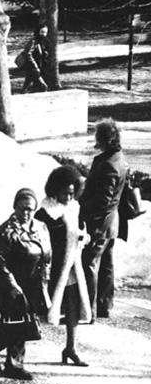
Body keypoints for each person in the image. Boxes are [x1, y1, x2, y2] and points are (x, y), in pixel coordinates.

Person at [0, 188, 51, 381]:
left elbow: (48, 255)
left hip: (33, 283)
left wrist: (45, 281)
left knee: (24, 324)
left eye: (30, 209)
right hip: (11, 285)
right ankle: (12, 363)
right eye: (22, 209)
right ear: (15, 207)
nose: (26, 213)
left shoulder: (41, 227)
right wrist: (13, 286)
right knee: (16, 323)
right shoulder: (6, 231)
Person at [36, 166, 92, 366]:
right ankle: (5, 347)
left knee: (73, 305)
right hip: (54, 267)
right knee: (36, 309)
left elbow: (81, 230)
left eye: (72, 193)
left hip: (71, 265)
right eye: (65, 193)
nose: (69, 197)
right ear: (55, 190)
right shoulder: (46, 211)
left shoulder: (74, 207)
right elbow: (41, 238)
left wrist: (83, 237)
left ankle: (71, 347)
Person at [78, 119, 127, 320]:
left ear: (105, 139)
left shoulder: (107, 164)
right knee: (106, 264)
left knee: (89, 262)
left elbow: (102, 200)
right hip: (111, 221)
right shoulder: (119, 159)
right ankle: (104, 306)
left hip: (99, 222)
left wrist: (80, 207)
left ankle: (88, 310)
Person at [20, 27, 50, 94]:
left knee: (26, 88)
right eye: (42, 32)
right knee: (43, 87)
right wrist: (35, 66)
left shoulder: (41, 42)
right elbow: (28, 54)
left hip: (35, 69)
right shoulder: (33, 41)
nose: (44, 34)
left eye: (45, 32)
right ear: (37, 31)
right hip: (32, 69)